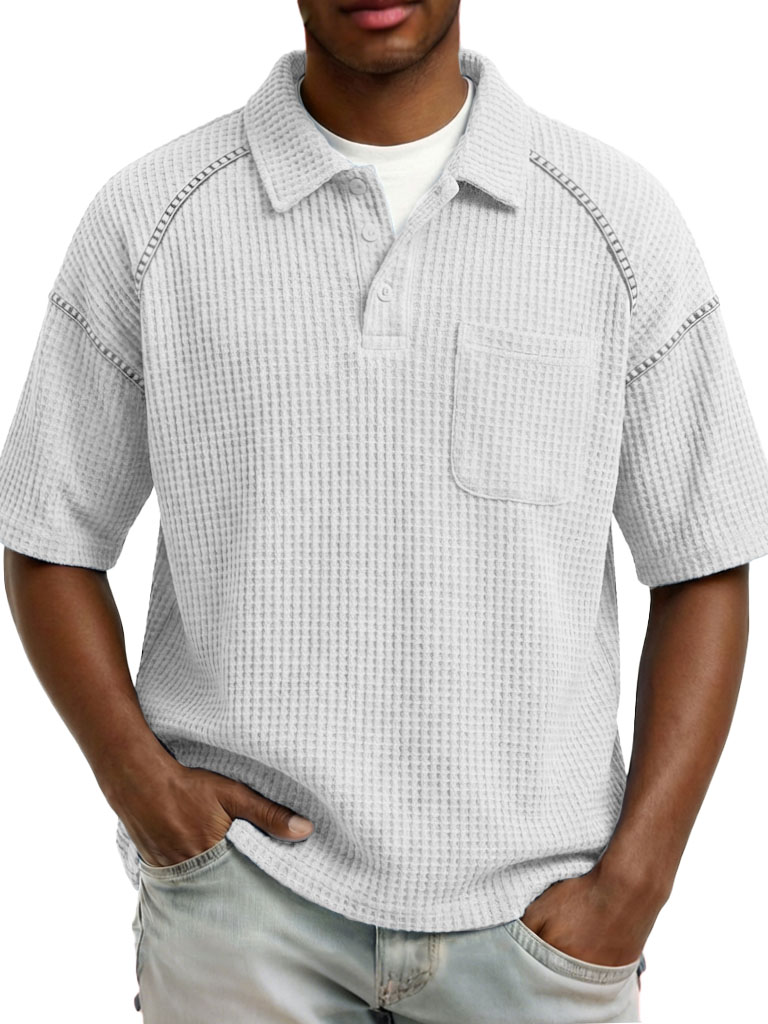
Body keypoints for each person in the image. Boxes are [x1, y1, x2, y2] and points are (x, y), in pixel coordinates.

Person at [1, 1, 767, 1022]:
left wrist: (640, 880)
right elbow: (49, 531)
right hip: (243, 907)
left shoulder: (617, 222)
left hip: (537, 921)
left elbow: (703, 556)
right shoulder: (153, 216)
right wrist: (141, 786)